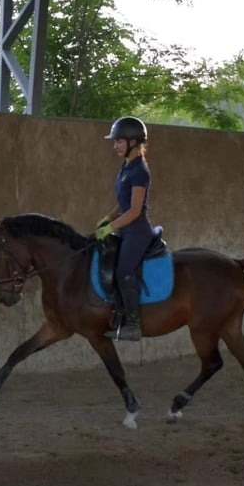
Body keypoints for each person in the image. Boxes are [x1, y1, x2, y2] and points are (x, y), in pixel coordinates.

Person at [94, 116, 152, 342]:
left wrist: (109, 229)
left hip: (137, 232)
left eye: (118, 141)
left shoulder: (140, 171)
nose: (115, 145)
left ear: (133, 142)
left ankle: (133, 325)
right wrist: (107, 219)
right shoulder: (126, 166)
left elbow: (135, 211)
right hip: (125, 229)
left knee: (123, 271)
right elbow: (124, 203)